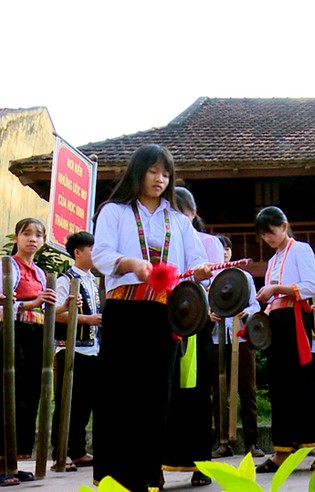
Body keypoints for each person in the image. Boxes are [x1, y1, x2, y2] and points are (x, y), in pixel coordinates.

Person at [92, 144, 212, 491]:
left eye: (166, 173)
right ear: (138, 172)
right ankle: (115, 477)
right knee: (120, 394)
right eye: (153, 171)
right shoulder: (114, 211)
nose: (160, 179)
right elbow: (101, 254)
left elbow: (193, 261)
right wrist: (131, 264)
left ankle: (147, 475)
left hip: (164, 315)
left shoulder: (176, 218)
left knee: (156, 396)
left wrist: (199, 272)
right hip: (125, 312)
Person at [253, 206, 315, 473]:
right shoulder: (271, 261)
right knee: (279, 388)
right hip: (276, 324)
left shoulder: (300, 249)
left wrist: (277, 289)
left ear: (284, 225)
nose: (269, 238)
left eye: (272, 232)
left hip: (294, 322)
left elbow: (312, 285)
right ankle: (283, 449)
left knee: (300, 384)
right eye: (264, 235)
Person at [161, 186, 222, 487]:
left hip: (195, 322)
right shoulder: (160, 237)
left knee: (197, 394)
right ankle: (158, 462)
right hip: (164, 317)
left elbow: (216, 283)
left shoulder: (207, 243)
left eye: (180, 211)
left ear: (193, 213)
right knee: (164, 393)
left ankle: (201, 463)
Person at [1, 218, 59, 485]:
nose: (32, 239)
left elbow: (42, 310)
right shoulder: (6, 268)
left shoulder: (38, 272)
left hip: (35, 339)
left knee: (28, 398)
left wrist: (62, 305)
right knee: (7, 397)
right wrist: (31, 302)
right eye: (27, 234)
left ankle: (12, 461)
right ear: (16, 238)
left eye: (38, 235)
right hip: (10, 338)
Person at [52, 231, 102, 472]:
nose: (96, 254)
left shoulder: (94, 280)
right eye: (91, 249)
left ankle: (79, 451)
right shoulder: (66, 279)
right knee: (67, 402)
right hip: (71, 350)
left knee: (86, 403)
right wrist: (89, 319)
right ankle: (60, 453)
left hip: (94, 350)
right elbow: (58, 314)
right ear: (78, 252)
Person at [211, 234, 264, 459]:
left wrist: (248, 313)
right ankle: (222, 441)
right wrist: (208, 315)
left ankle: (252, 442)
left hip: (241, 338)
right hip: (217, 339)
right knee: (218, 391)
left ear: (231, 251)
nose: (223, 252)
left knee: (247, 390)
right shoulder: (209, 278)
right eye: (219, 248)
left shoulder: (244, 277)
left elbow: (256, 304)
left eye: (226, 248)